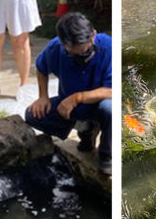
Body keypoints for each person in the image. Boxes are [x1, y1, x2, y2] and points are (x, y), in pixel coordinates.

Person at [25, 12, 112, 175]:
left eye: (84, 50)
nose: (80, 55)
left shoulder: (108, 47)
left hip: (99, 104)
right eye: (73, 52)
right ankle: (85, 128)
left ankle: (107, 155)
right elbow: (41, 68)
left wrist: (78, 98)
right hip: (69, 108)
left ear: (93, 36)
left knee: (111, 109)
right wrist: (42, 96)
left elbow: (111, 90)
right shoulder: (56, 47)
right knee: (32, 115)